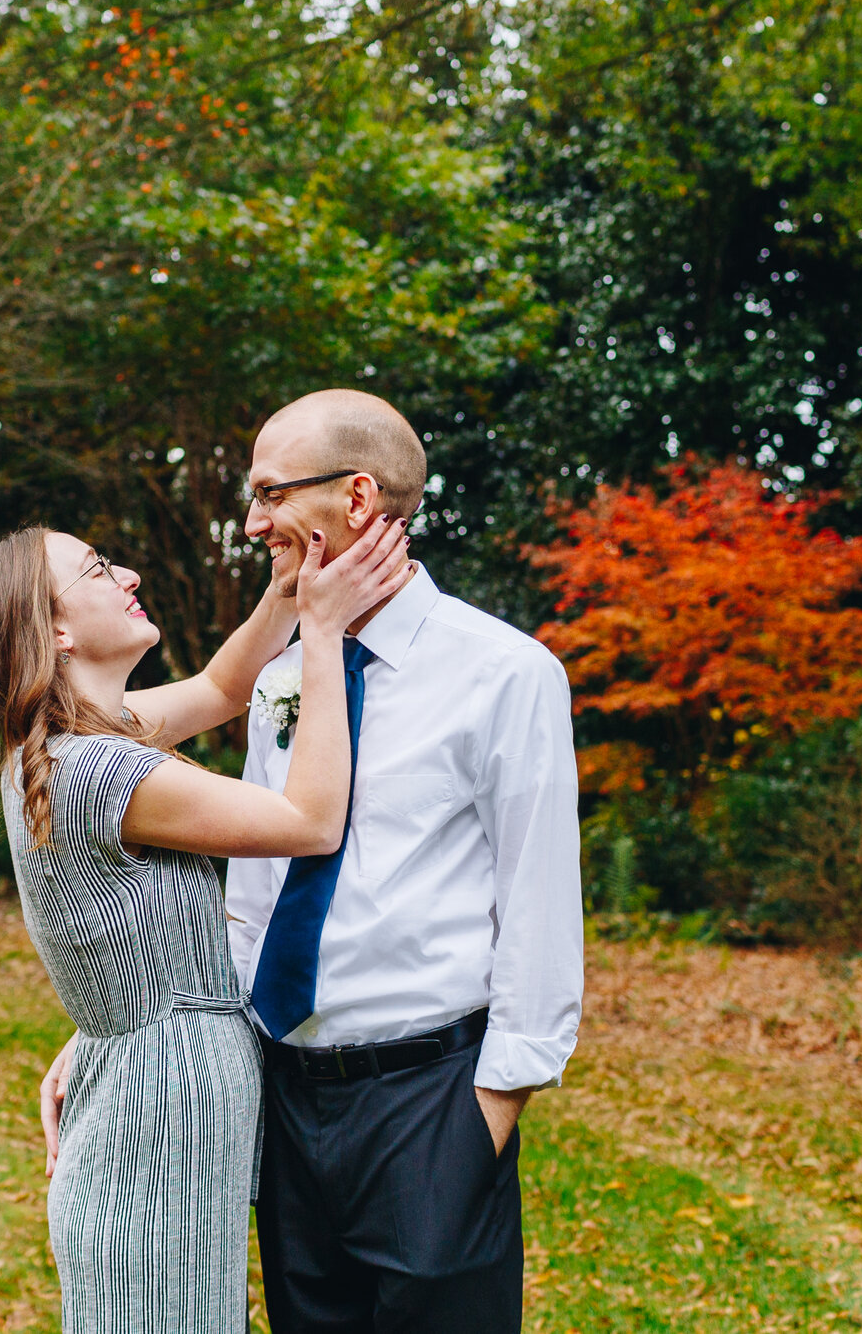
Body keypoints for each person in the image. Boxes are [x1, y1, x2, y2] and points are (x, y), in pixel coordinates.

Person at [0, 513, 413, 1334]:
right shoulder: (101, 769)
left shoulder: (63, 747)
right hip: (162, 1109)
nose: (126, 575)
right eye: (96, 570)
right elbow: (309, 821)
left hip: (154, 1091)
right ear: (54, 630)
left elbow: (223, 690)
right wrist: (325, 632)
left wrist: (284, 596)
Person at [229, 388, 582, 1332]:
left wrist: (489, 1113)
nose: (254, 521)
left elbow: (541, 907)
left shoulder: (506, 672)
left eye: (269, 494)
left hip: (432, 1102)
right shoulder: (279, 684)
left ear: (355, 498)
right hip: (287, 1097)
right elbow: (254, 896)